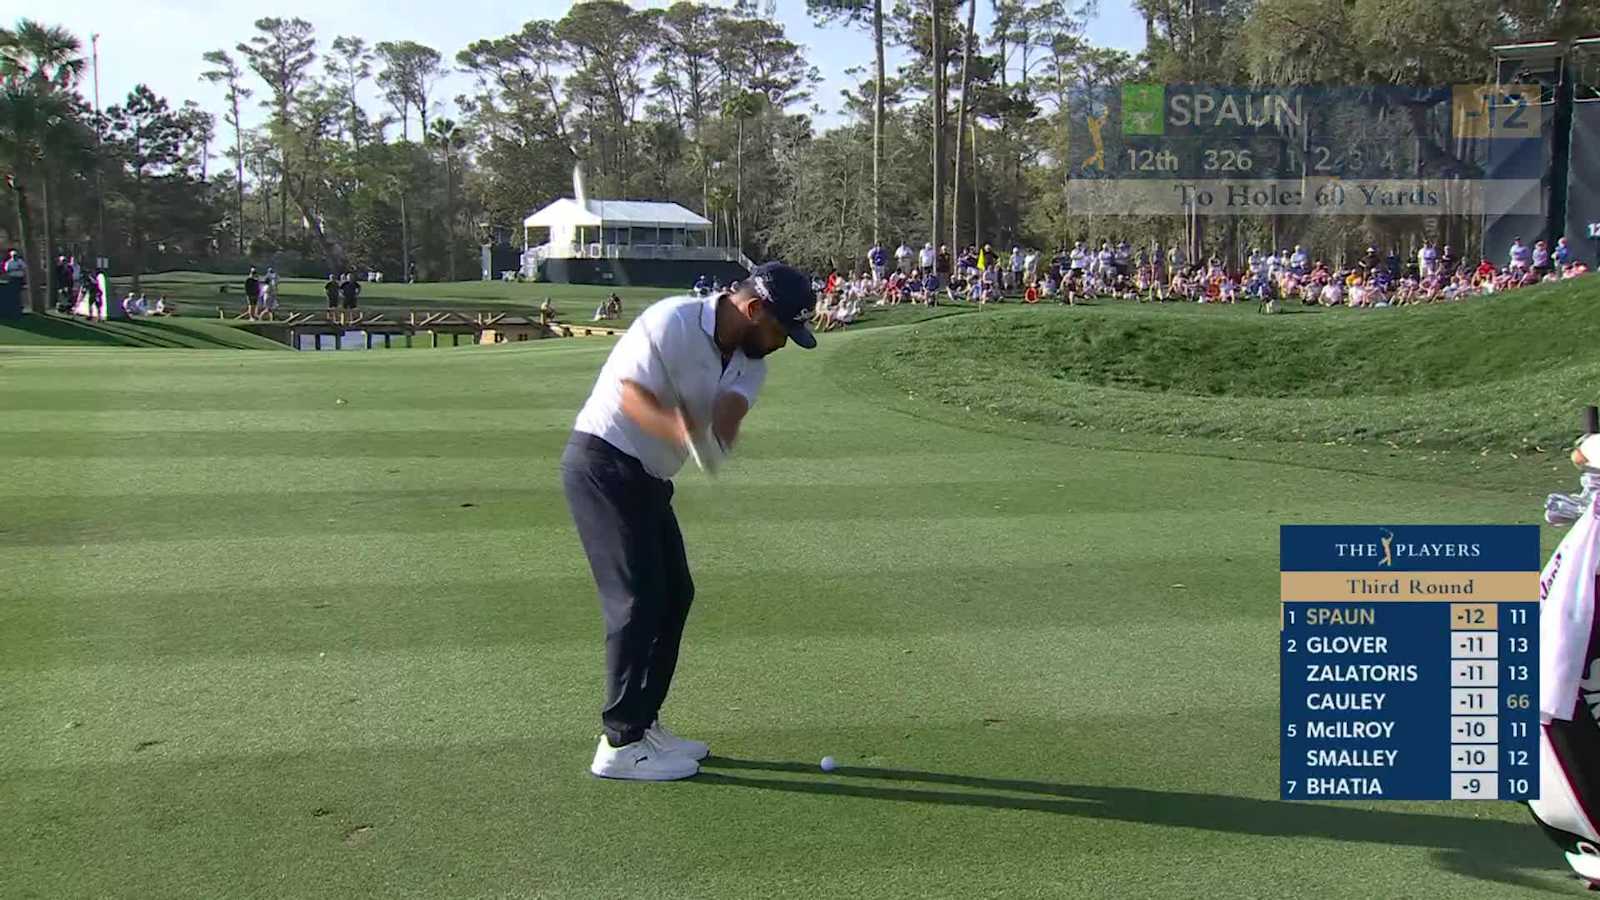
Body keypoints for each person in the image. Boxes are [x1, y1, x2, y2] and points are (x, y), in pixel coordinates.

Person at [561, 262, 816, 781]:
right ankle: (619, 744)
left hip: (650, 479)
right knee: (636, 600)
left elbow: (730, 416)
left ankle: (644, 722)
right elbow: (632, 398)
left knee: (675, 594)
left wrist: (714, 430)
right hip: (603, 463)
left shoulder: (752, 361)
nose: (783, 343)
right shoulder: (671, 321)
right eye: (781, 330)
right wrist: (682, 430)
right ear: (753, 309)